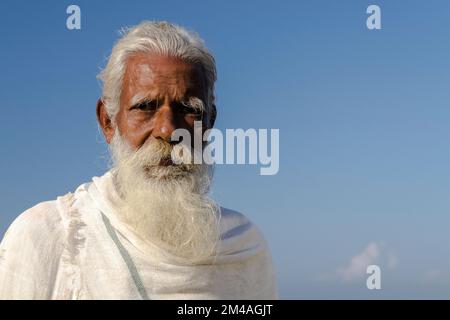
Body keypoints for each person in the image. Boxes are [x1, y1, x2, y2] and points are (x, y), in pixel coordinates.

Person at [0, 21, 277, 299]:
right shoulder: (49, 239)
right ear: (108, 121)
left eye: (189, 109)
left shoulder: (244, 247)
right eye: (145, 107)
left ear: (209, 123)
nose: (168, 131)